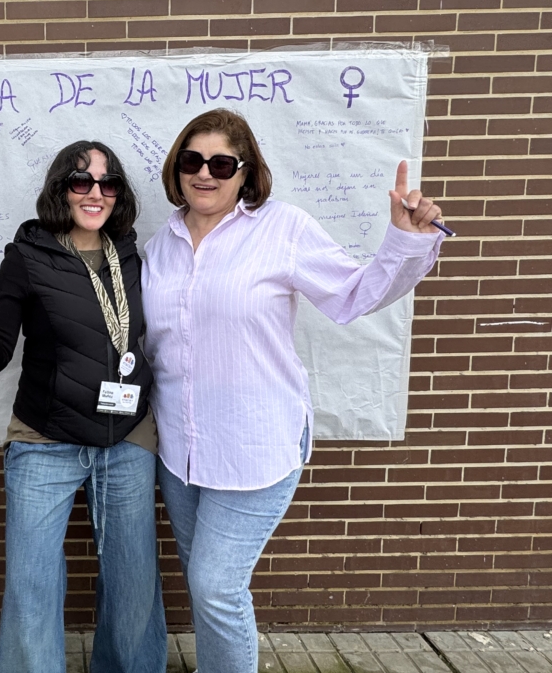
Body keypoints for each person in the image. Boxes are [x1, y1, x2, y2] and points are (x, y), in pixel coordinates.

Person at [142, 109, 445, 673]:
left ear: (245, 172)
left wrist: (405, 243)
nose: (204, 173)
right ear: (176, 168)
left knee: (215, 588)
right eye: (192, 160)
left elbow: (353, 294)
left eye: (221, 164)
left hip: (255, 446)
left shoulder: (282, 229)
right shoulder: (161, 246)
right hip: (181, 452)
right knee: (206, 587)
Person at [0, 140, 166, 673]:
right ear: (61, 189)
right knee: (32, 584)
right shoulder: (28, 256)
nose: (95, 193)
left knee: (133, 585)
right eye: (82, 181)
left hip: (127, 440)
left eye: (108, 183)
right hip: (45, 441)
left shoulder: (131, 254)